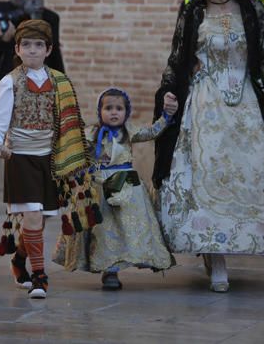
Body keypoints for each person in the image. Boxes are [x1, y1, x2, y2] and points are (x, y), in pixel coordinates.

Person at [153, 0, 264, 293]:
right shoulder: (192, 12)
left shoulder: (252, 12)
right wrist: (170, 93)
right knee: (207, 173)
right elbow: (177, 59)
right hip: (204, 105)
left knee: (249, 173)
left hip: (246, 105)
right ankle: (215, 257)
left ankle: (233, 244)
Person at [0, 19, 89, 299]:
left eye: (39, 45)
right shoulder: (10, 82)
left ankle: (19, 259)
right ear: (17, 49)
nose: (33, 50)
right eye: (27, 45)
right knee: (31, 216)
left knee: (39, 221)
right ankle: (40, 277)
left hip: (49, 160)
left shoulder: (60, 81)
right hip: (20, 157)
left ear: (49, 49)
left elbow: (69, 121)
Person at [54, 88, 177, 290]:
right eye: (108, 108)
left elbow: (153, 131)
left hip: (127, 188)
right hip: (99, 188)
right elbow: (75, 147)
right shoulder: (92, 134)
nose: (114, 112)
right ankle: (109, 271)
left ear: (126, 112)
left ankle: (142, 256)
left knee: (129, 228)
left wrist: (167, 116)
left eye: (119, 108)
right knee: (104, 231)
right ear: (99, 111)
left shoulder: (130, 131)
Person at [0, 0, 66, 214]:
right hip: (2, 83)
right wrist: (3, 39)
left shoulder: (48, 17)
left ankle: (36, 195)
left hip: (38, 89)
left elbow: (54, 52)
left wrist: (61, 84)